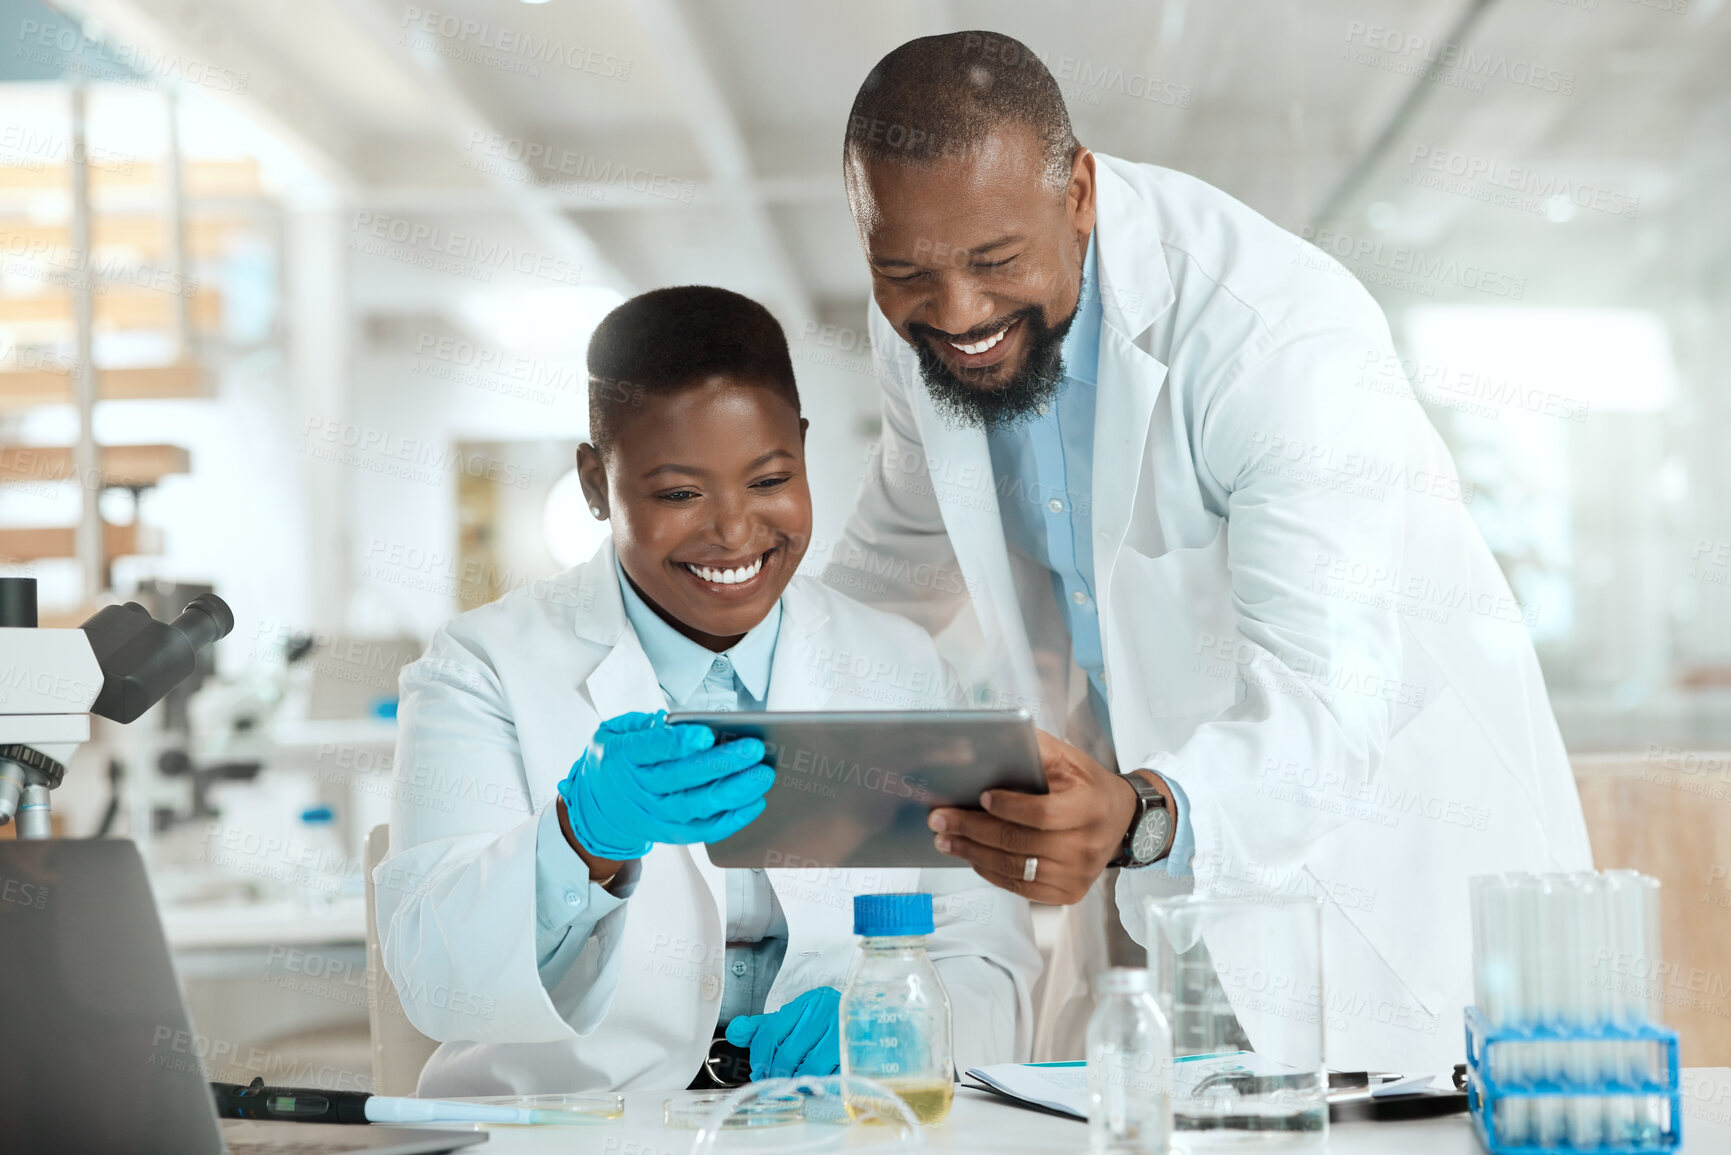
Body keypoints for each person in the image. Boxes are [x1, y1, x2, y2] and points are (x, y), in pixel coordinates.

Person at [826, 32, 1591, 1068]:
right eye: (903, 269)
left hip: (1365, 883)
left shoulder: (1275, 336)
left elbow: (1333, 695)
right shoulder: (923, 323)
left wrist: (1144, 814)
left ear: (1080, 191)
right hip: (1148, 904)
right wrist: (740, 694)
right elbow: (900, 555)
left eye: (996, 263)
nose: (956, 312)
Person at [374, 286, 1040, 1095]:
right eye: (678, 494)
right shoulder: (479, 668)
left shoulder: (901, 665)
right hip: (576, 1131)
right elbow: (435, 982)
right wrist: (581, 840)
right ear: (594, 482)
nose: (732, 531)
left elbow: (987, 955)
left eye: (768, 479)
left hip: (829, 1125)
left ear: (800, 448)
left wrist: (895, 1023)